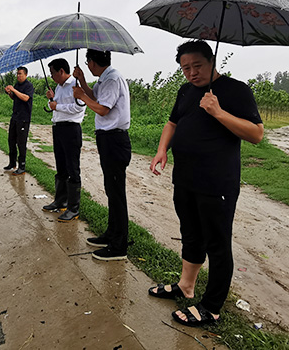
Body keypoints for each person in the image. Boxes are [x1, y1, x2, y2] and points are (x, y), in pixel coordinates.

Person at [148, 40, 264, 327]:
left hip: (217, 182)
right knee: (190, 234)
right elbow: (172, 123)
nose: (191, 73)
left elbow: (256, 134)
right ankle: (186, 286)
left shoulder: (236, 90)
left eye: (197, 66)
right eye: (185, 68)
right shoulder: (186, 90)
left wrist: (218, 112)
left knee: (217, 243)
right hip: (185, 177)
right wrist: (163, 149)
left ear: (212, 61)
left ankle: (211, 307)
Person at [72, 49, 132, 261]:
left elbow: (102, 109)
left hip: (115, 140)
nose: (87, 66)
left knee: (116, 193)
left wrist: (80, 96)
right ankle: (111, 233)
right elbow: (95, 96)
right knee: (111, 190)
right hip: (108, 139)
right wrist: (83, 82)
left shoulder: (112, 79)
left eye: (88, 63)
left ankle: (119, 246)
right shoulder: (104, 78)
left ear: (92, 61)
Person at [42, 58, 86, 222]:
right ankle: (60, 201)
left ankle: (73, 208)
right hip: (58, 128)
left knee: (72, 168)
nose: (51, 76)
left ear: (61, 71)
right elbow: (56, 107)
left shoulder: (76, 85)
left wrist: (57, 106)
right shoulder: (58, 87)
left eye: (53, 73)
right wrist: (51, 99)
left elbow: (78, 107)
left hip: (71, 129)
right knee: (61, 166)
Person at [3, 66, 35, 175]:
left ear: (25, 75)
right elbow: (15, 97)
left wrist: (13, 90)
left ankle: (22, 166)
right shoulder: (17, 85)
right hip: (15, 117)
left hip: (23, 118)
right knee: (11, 140)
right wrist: (10, 93)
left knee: (21, 143)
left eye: (20, 74)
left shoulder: (29, 86)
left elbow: (26, 98)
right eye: (17, 74)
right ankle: (12, 163)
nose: (18, 75)